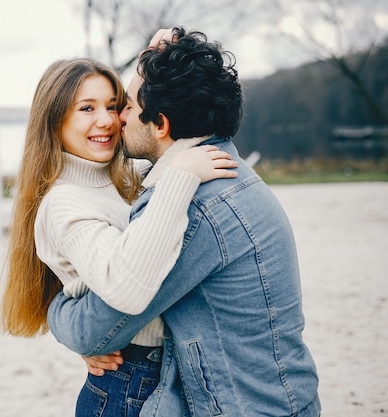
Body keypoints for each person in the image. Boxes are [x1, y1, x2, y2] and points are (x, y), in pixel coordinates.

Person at [47, 27, 321, 417]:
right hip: (281, 398)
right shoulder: (227, 169)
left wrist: (53, 310)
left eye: (125, 105)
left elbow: (98, 329)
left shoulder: (193, 205)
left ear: (160, 124)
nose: (117, 118)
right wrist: (165, 55)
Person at [0, 56, 238, 417]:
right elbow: (122, 283)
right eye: (87, 108)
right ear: (54, 120)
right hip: (128, 383)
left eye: (113, 106)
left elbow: (157, 132)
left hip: (160, 371)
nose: (108, 120)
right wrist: (181, 175)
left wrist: (161, 52)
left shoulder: (122, 177)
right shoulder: (64, 202)